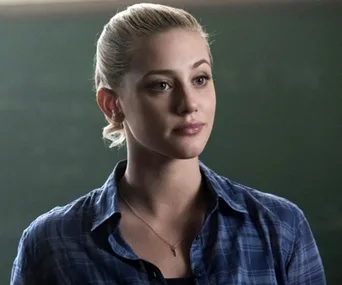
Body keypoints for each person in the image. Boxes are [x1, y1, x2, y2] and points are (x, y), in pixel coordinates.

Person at [11, 3, 326, 285]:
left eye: (200, 79)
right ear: (112, 105)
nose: (189, 104)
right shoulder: (52, 244)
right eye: (161, 85)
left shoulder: (279, 228)